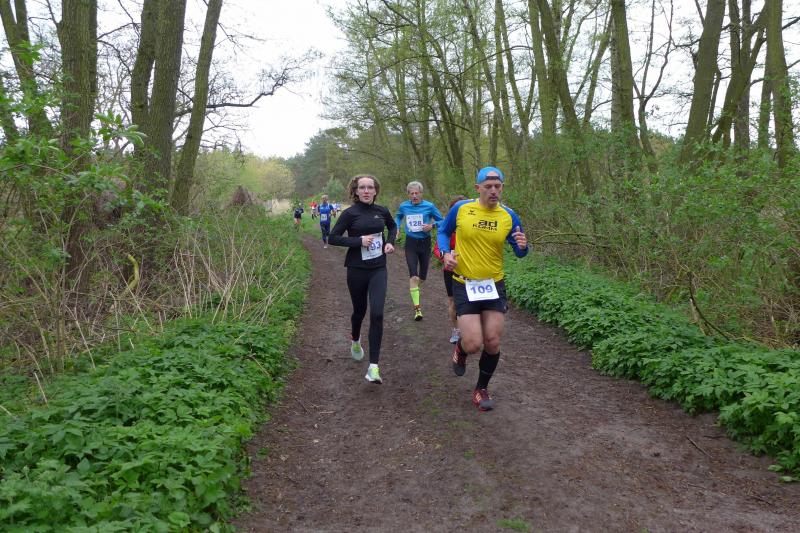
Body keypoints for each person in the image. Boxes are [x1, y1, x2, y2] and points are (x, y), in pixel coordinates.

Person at [437, 166, 528, 411]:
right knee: (473, 343)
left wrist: (523, 246)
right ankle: (461, 348)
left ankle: (481, 389)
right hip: (464, 283)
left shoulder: (509, 216)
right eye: (488, 186)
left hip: (493, 284)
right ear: (477, 188)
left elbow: (519, 251)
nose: (493, 191)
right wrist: (446, 253)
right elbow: (443, 231)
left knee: (493, 341)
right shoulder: (461, 208)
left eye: (498, 186)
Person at [329, 175, 397, 384]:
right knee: (359, 311)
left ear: (375, 191)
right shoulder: (350, 214)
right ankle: (355, 339)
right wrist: (358, 241)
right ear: (356, 191)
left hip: (378, 268)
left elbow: (392, 227)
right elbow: (333, 237)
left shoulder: (382, 211)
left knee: (377, 313)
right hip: (357, 269)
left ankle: (373, 367)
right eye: (362, 188)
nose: (366, 191)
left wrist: (390, 242)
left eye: (370, 187)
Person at [394, 181, 443, 321]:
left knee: (422, 278)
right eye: (412, 193)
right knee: (413, 276)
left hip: (425, 243)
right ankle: (417, 310)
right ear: (408, 194)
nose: (414, 196)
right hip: (411, 243)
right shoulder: (404, 206)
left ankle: (413, 288)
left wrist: (432, 226)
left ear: (421, 194)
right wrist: (397, 227)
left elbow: (442, 221)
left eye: (417, 193)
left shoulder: (429, 206)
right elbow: (398, 216)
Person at [433, 195, 466, 344]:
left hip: (470, 269)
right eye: (455, 208)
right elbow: (437, 248)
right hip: (450, 268)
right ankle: (457, 330)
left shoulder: (472, 225)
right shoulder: (447, 227)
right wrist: (444, 256)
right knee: (453, 301)